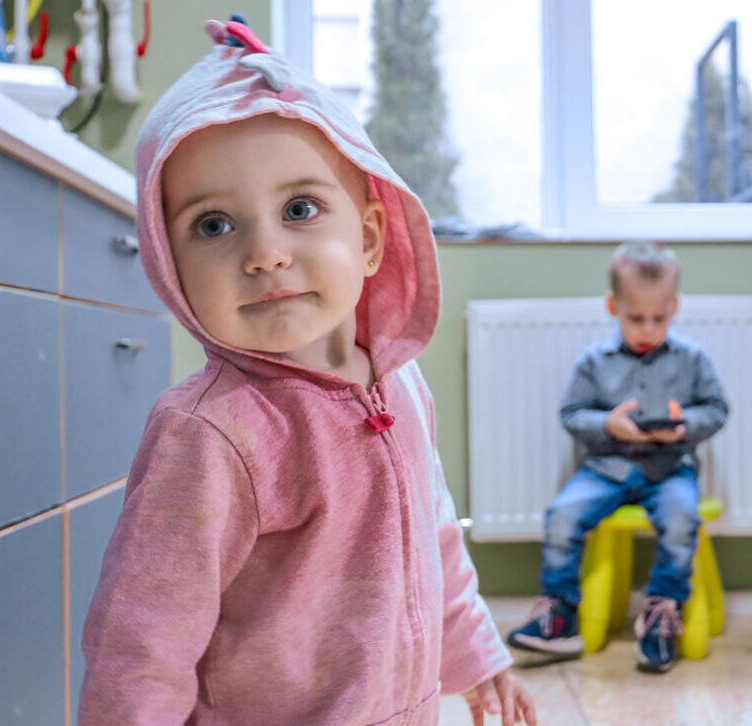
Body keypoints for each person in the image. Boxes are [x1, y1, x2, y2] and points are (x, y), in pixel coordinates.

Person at [79, 18, 535, 726]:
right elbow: (143, 639)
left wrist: (475, 651)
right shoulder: (211, 435)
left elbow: (433, 531)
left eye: (299, 209)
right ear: (167, 264)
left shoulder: (400, 383)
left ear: (371, 238)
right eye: (213, 225)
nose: (265, 253)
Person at [506, 240, 729, 674]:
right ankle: (558, 613)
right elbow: (572, 414)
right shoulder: (595, 361)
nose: (647, 329)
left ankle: (662, 612)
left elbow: (717, 409)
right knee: (563, 514)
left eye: (658, 318)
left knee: (683, 520)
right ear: (613, 306)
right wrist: (608, 424)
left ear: (674, 307)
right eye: (635, 318)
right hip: (607, 468)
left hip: (669, 471)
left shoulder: (692, 359)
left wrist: (684, 425)